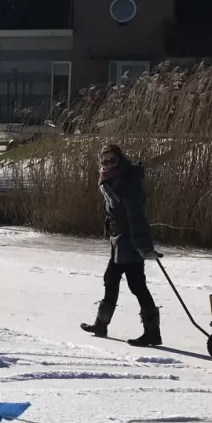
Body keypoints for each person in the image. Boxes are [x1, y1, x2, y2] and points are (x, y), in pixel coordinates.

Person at [80, 143, 162, 347]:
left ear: (121, 161)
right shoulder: (110, 179)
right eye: (104, 161)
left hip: (131, 242)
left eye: (112, 161)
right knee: (111, 280)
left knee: (137, 286)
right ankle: (101, 324)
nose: (107, 165)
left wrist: (145, 247)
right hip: (118, 241)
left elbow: (137, 218)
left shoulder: (128, 182)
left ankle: (152, 333)